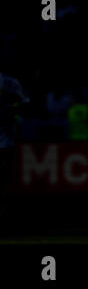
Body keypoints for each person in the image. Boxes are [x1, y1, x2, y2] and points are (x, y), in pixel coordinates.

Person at [0, 71, 29, 217]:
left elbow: (25, 105)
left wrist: (11, 109)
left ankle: (4, 212)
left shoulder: (10, 82)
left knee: (4, 176)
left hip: (5, 139)